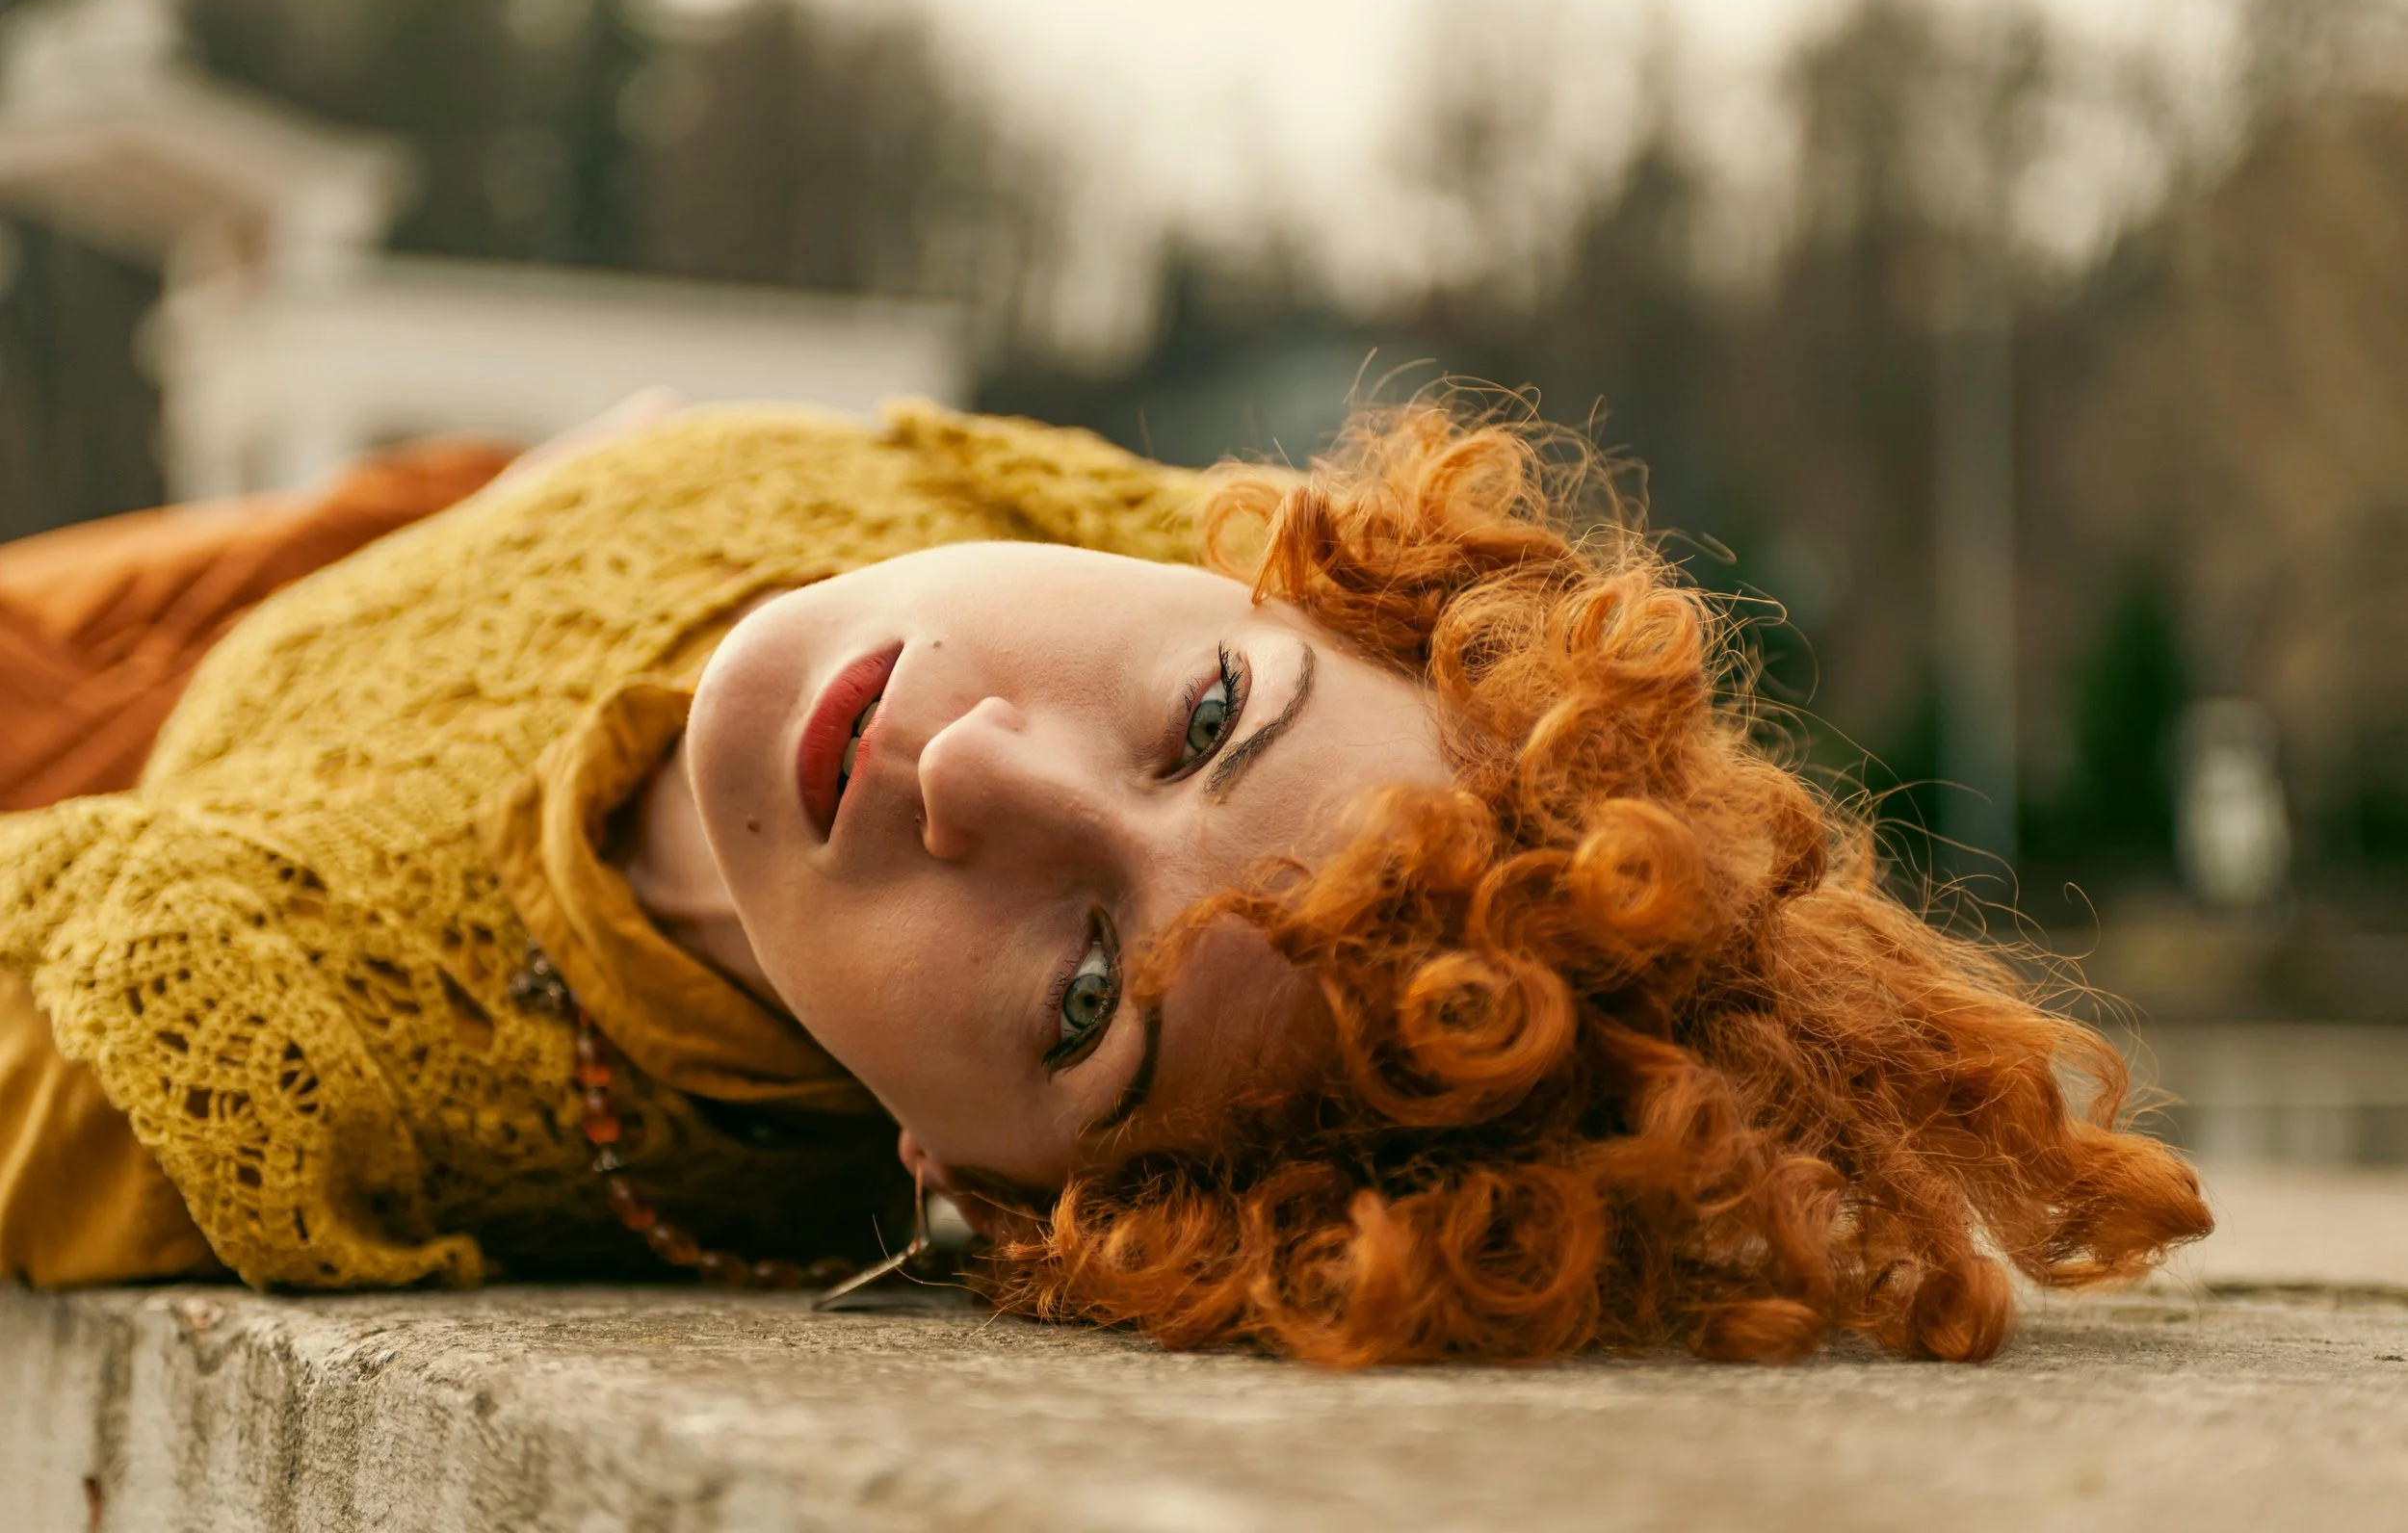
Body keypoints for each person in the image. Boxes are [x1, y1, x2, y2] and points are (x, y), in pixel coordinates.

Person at [0, 395, 2210, 1364]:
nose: (967, 766)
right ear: (1292, 578)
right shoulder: (1080, 506)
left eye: (1082, 999)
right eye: (1199, 718)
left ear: (985, 1188)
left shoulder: (281, 1066)